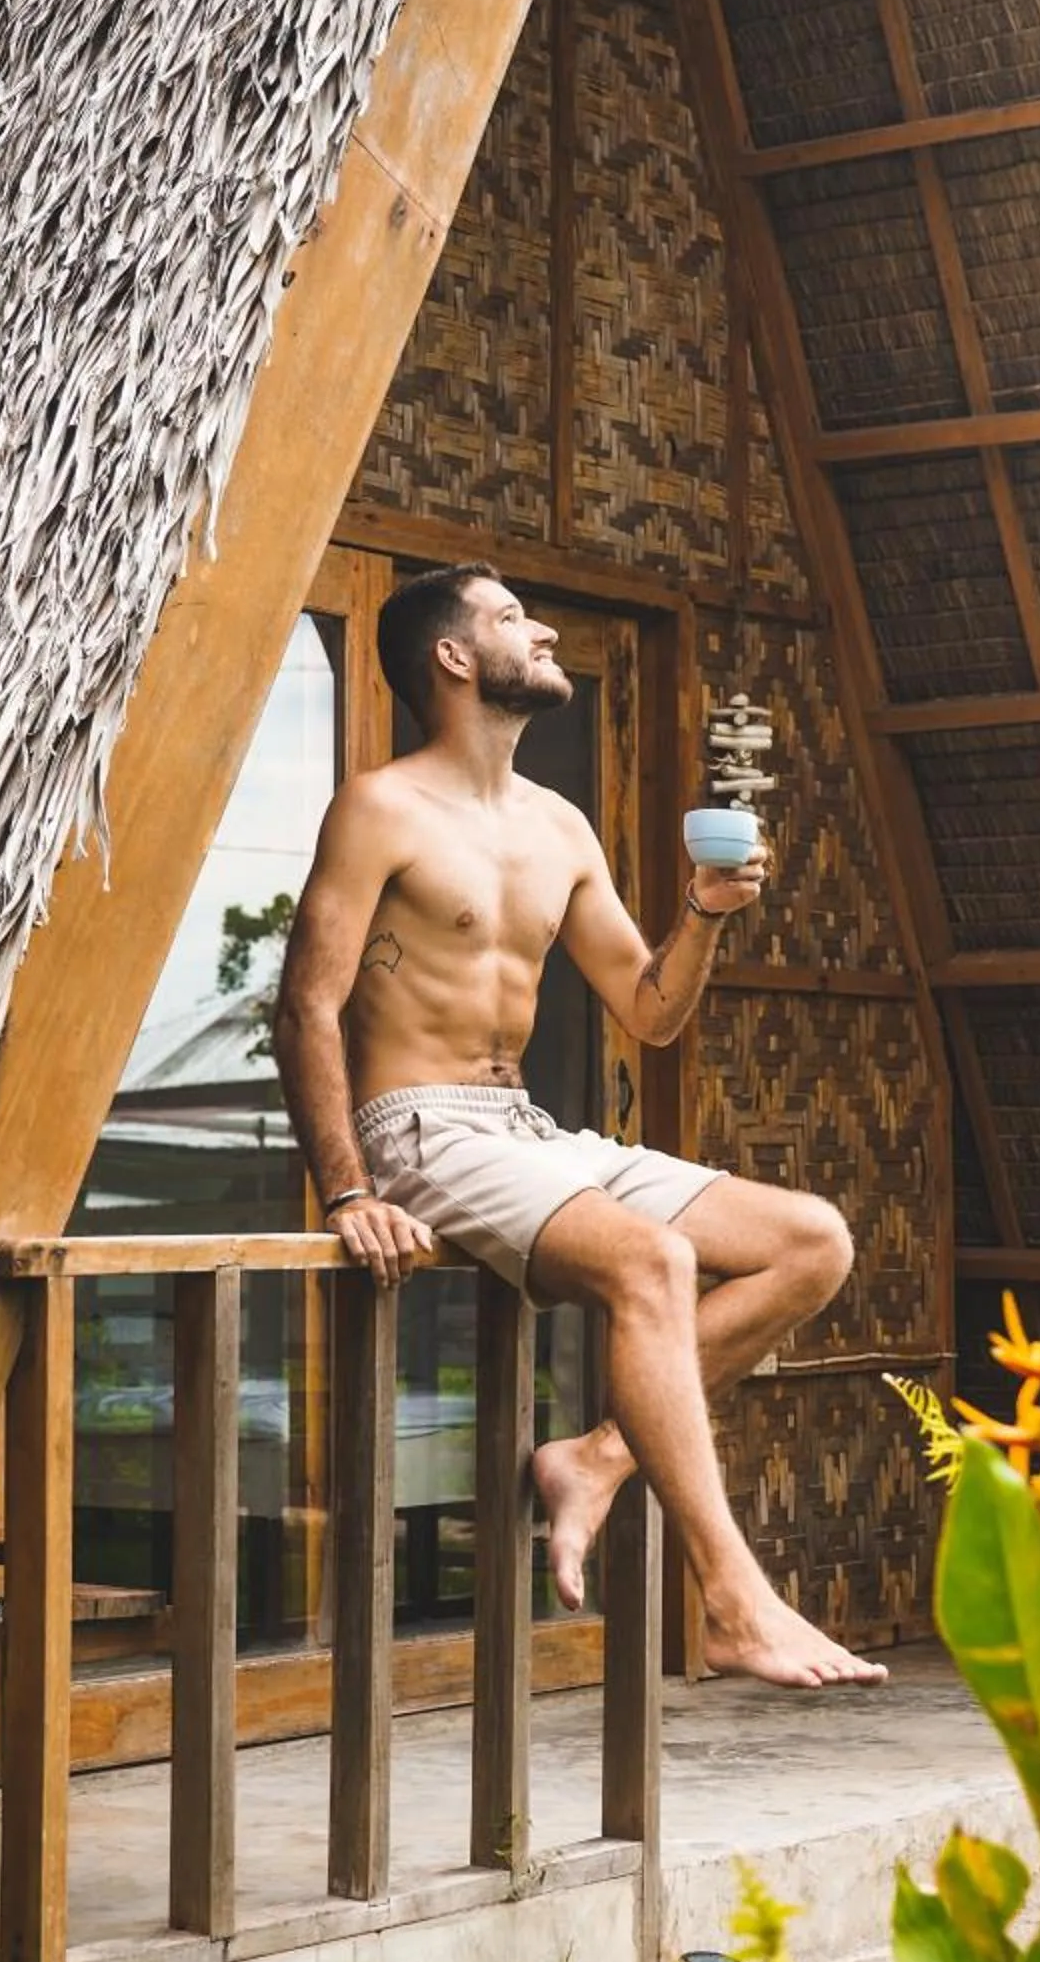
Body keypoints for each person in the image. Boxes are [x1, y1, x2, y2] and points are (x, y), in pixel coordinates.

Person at [271, 561, 885, 1690]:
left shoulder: (558, 826)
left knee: (813, 1242)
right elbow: (307, 1002)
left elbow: (648, 1010)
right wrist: (349, 1190)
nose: (542, 630)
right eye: (512, 619)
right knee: (652, 1261)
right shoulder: (379, 808)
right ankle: (732, 1601)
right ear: (453, 659)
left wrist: (702, 916)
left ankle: (597, 1459)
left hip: (526, 1127)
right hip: (418, 1124)